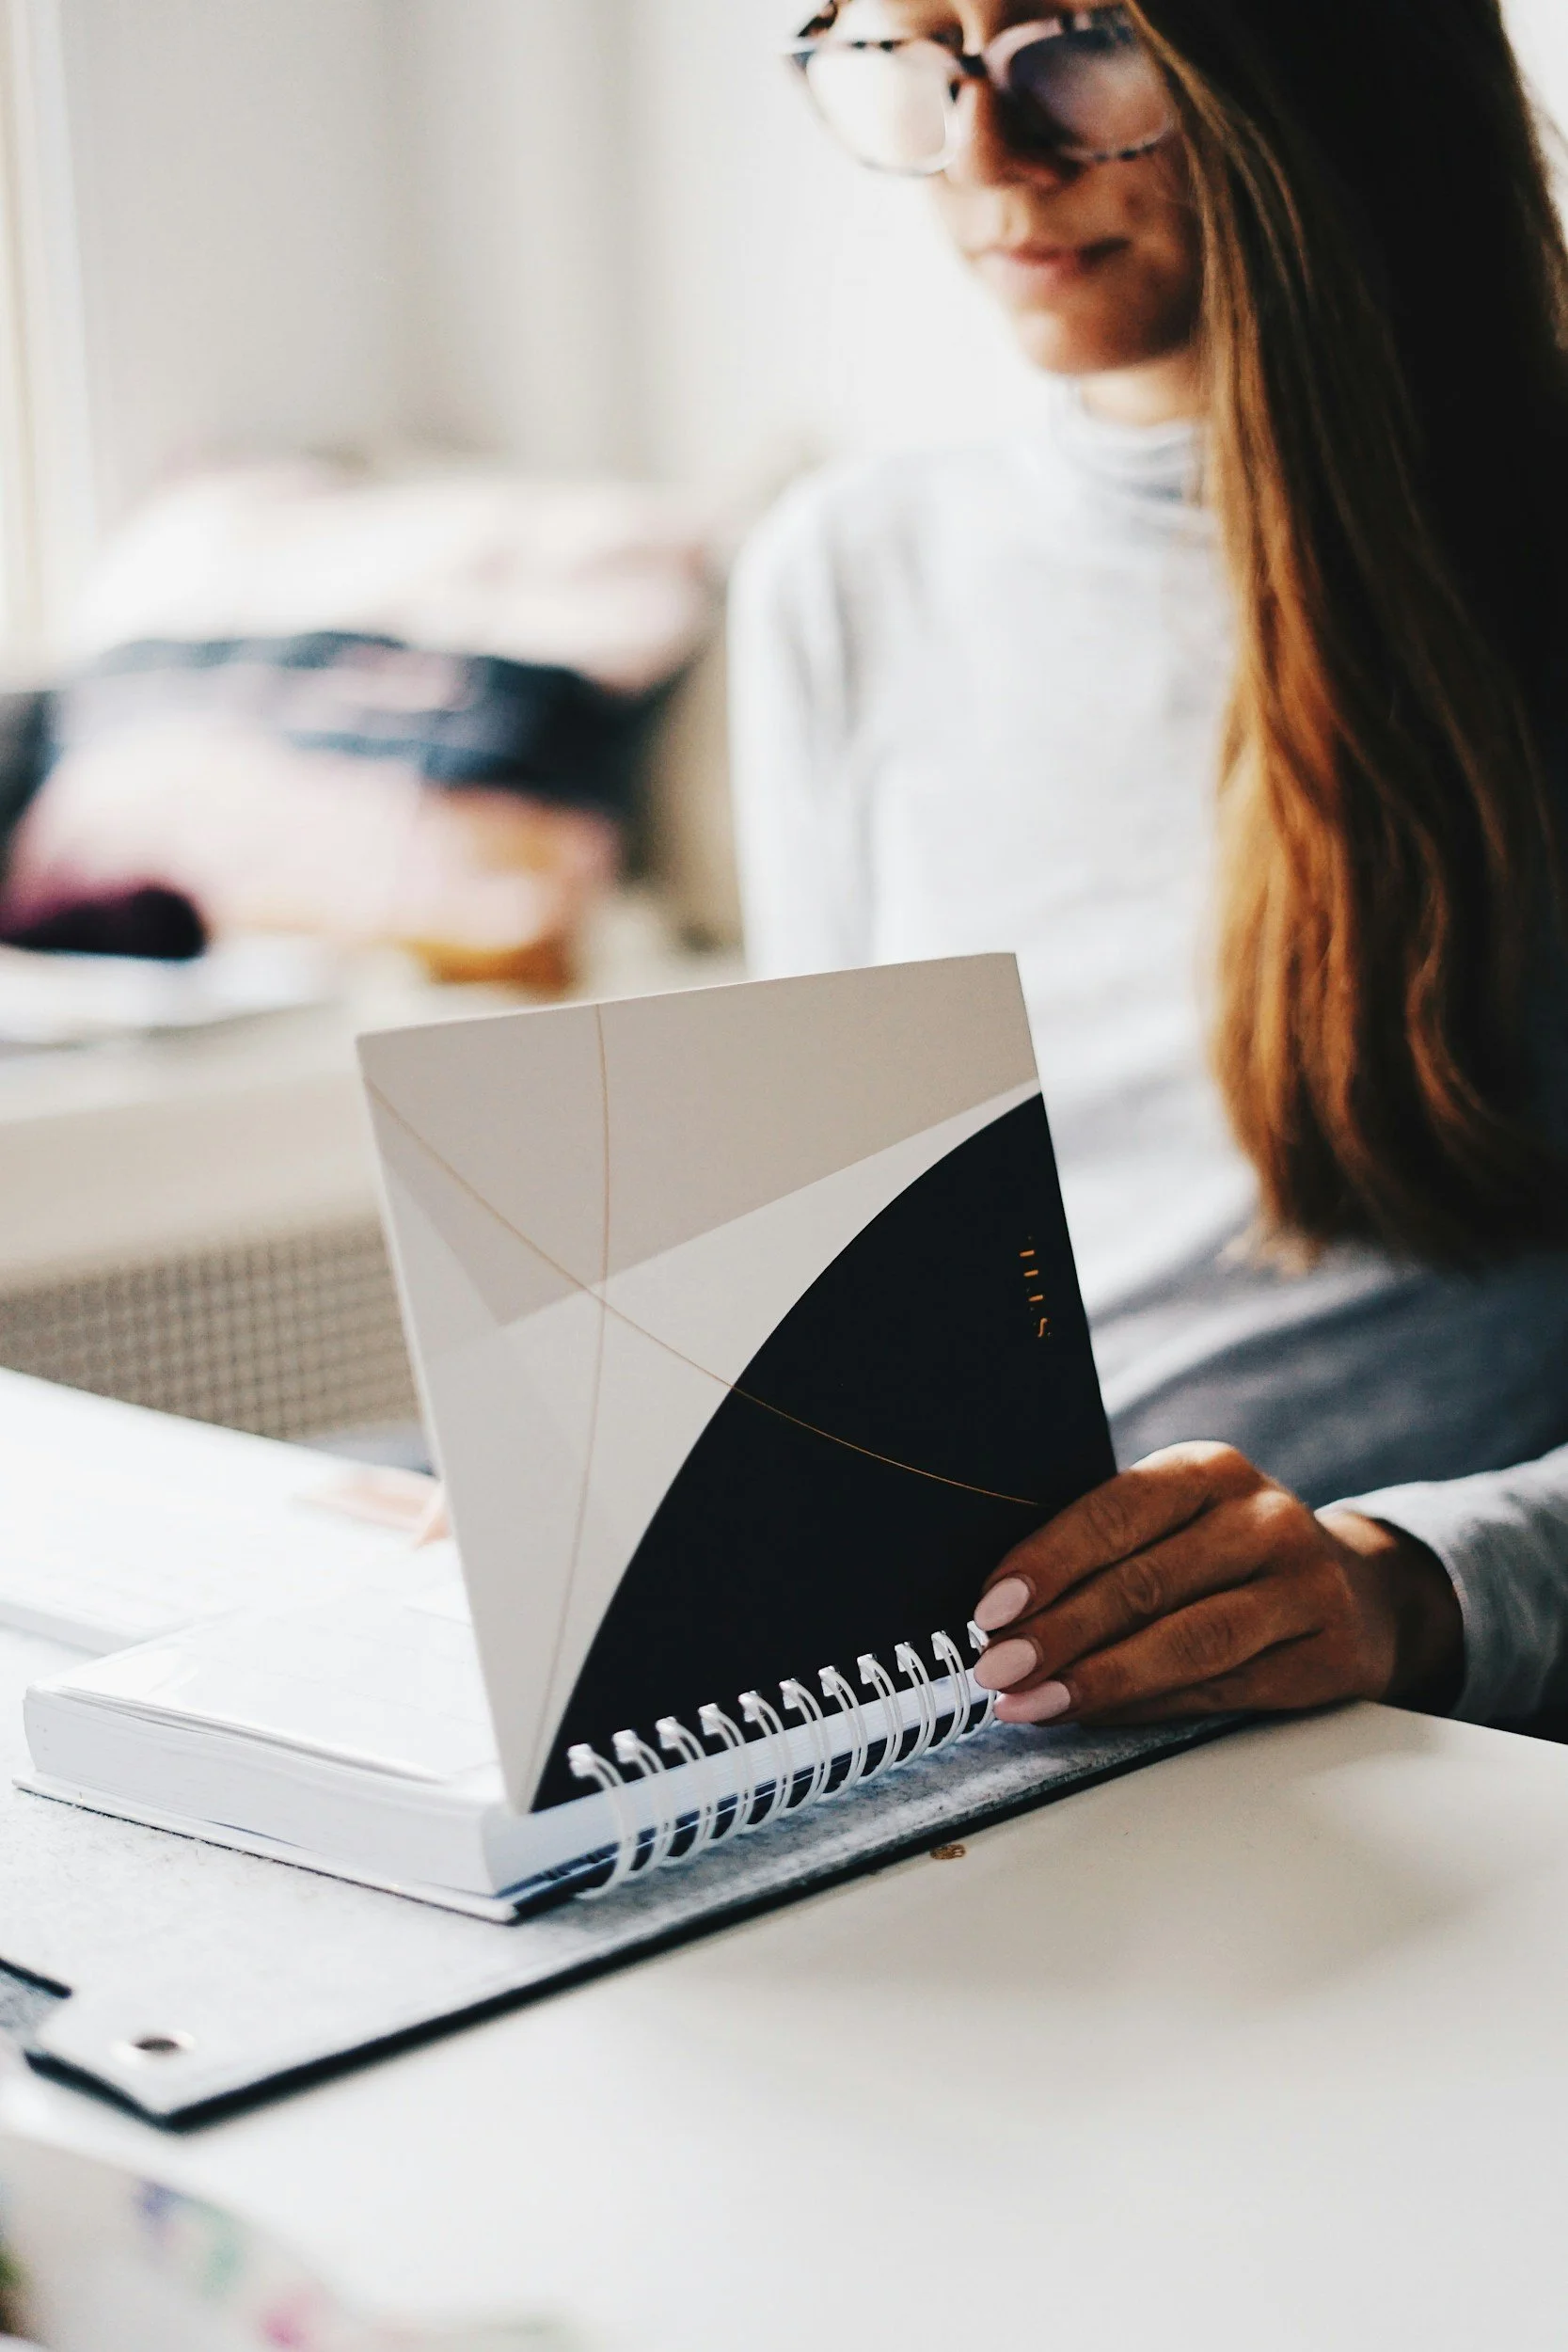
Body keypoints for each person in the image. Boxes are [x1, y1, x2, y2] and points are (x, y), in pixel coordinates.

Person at [731, 0, 1568, 1733]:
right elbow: (825, 1249)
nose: (979, 151)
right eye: (903, 46)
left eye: (1075, 42)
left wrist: (1407, 1584)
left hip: (1381, 1735)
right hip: (944, 1689)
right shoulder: (845, 569)